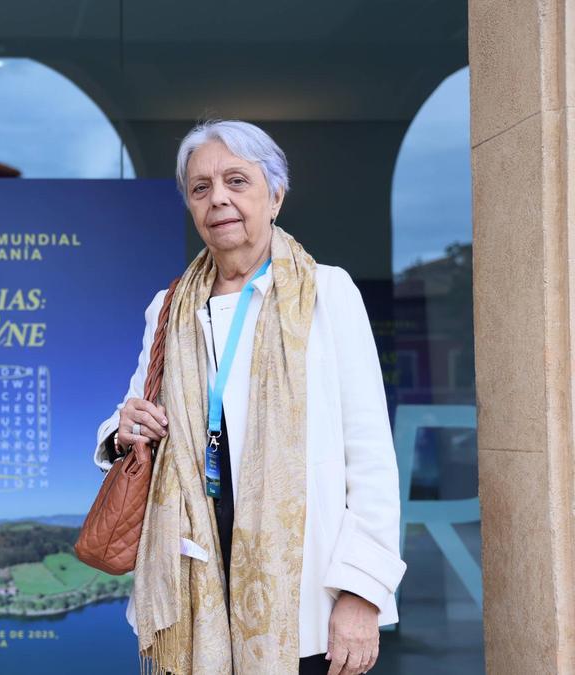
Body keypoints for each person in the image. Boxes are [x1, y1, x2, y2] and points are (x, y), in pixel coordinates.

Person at [93, 120, 405, 675]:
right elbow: (129, 415)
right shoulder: (169, 308)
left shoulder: (327, 293)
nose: (218, 198)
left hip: (305, 595)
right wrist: (124, 430)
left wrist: (362, 592)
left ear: (276, 196)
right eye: (201, 187)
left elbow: (371, 457)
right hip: (193, 586)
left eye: (236, 181)